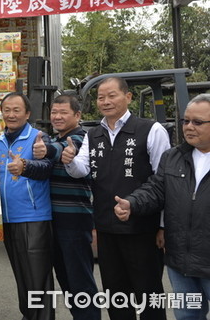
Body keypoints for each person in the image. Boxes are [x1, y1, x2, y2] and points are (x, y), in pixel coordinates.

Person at [64, 77, 170, 320]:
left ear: (128, 97)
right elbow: (82, 168)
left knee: (149, 296)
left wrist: (163, 225)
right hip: (107, 228)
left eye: (112, 95)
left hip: (143, 228)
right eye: (101, 97)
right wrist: (70, 159)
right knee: (116, 295)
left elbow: (165, 181)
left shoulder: (151, 130)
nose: (105, 101)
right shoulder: (94, 134)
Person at [114, 93, 210, 320]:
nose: (189, 127)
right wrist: (132, 203)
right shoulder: (173, 157)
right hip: (180, 259)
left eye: (197, 122)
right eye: (185, 121)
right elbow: (156, 190)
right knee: (186, 315)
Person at [32, 95, 101, 320]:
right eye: (54, 112)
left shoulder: (82, 137)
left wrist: (46, 150)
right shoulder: (53, 137)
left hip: (74, 220)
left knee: (80, 281)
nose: (57, 117)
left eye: (63, 112)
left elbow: (60, 150)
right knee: (66, 281)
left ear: (78, 115)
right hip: (53, 219)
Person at [0, 92, 55, 320]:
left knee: (38, 278)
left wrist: (26, 166)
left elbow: (47, 166)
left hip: (34, 217)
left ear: (28, 113)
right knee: (21, 275)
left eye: (16, 110)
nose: (11, 114)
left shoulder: (39, 137)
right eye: (7, 110)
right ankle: (29, 315)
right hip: (9, 219)